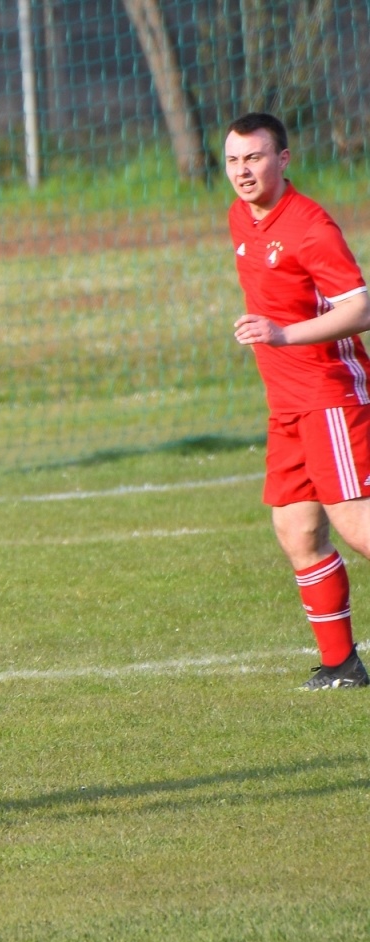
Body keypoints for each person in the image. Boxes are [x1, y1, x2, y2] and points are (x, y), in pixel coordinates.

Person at [224, 112, 370, 689]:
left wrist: (283, 334)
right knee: (297, 532)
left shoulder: (311, 226)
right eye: (234, 160)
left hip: (329, 397)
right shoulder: (240, 216)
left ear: (283, 160)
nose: (244, 171)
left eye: (255, 158)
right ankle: (342, 664)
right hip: (286, 404)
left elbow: (359, 309)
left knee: (358, 526)